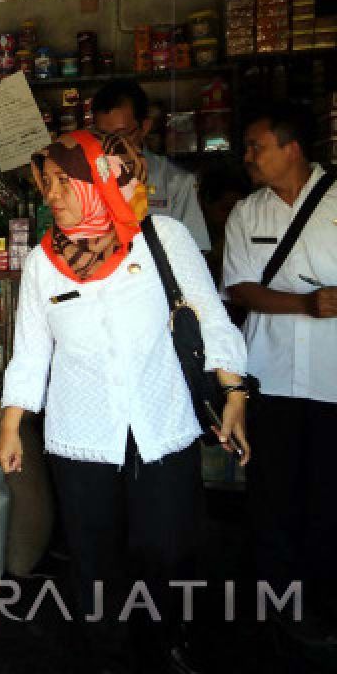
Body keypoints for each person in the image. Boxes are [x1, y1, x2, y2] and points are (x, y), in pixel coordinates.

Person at [0, 129, 249, 674]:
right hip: (82, 436)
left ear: (98, 180)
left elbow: (209, 315)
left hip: (160, 424)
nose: (53, 194)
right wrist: (12, 425)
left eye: (66, 181)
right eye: (49, 183)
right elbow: (33, 352)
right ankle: (106, 654)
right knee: (93, 560)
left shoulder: (163, 238)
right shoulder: (43, 263)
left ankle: (168, 641)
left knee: (168, 549)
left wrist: (233, 392)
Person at [223, 105, 337, 645]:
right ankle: (278, 607)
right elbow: (241, 288)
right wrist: (306, 304)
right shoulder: (247, 214)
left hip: (333, 380)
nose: (247, 157)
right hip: (269, 378)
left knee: (326, 495)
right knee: (271, 496)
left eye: (255, 146)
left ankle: (322, 600)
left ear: (291, 148)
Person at [93, 78, 212, 251]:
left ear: (145, 127)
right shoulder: (84, 180)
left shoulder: (176, 183)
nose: (112, 147)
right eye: (103, 137)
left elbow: (195, 253)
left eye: (122, 135)